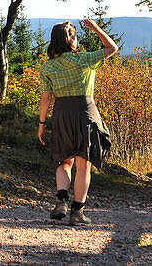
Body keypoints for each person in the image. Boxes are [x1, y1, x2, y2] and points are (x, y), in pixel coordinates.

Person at [37, 18, 118, 226]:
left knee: (64, 162)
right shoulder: (85, 60)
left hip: (62, 114)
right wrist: (95, 28)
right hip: (85, 114)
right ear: (67, 40)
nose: (76, 38)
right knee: (84, 165)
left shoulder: (48, 68)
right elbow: (112, 48)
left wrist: (41, 125)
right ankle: (77, 212)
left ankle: (62, 200)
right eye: (73, 35)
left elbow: (46, 99)